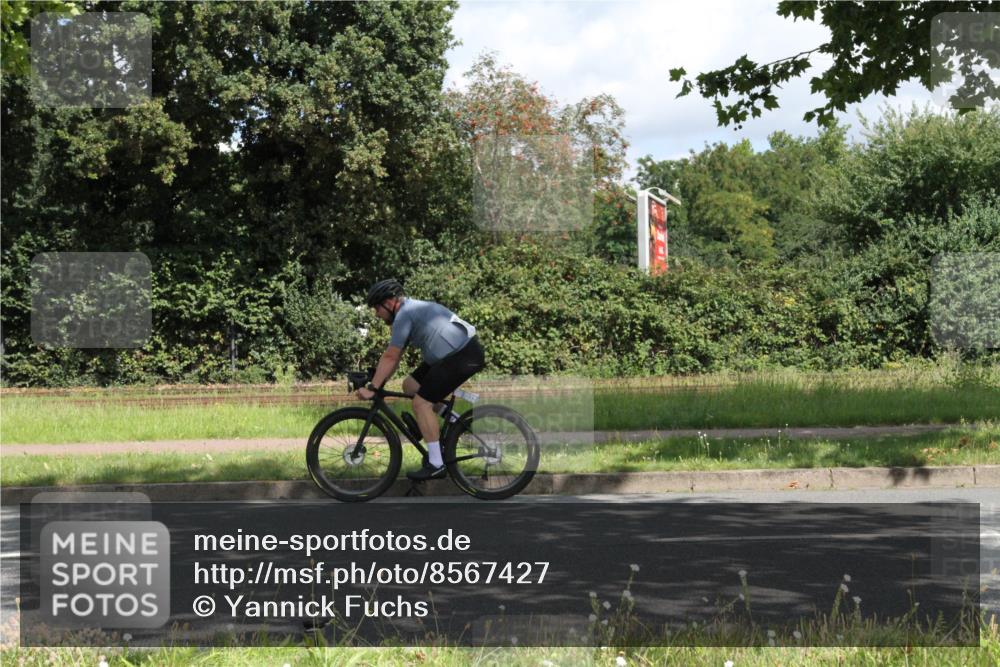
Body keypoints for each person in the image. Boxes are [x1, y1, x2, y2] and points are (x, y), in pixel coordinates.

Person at [355, 278, 485, 481]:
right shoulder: (409, 310)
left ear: (389, 303)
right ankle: (453, 421)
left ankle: (436, 464)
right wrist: (379, 381)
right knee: (410, 385)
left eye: (376, 308)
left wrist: (373, 387)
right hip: (452, 355)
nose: (376, 314)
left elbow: (391, 356)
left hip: (461, 356)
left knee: (421, 404)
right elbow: (394, 358)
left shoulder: (404, 315)